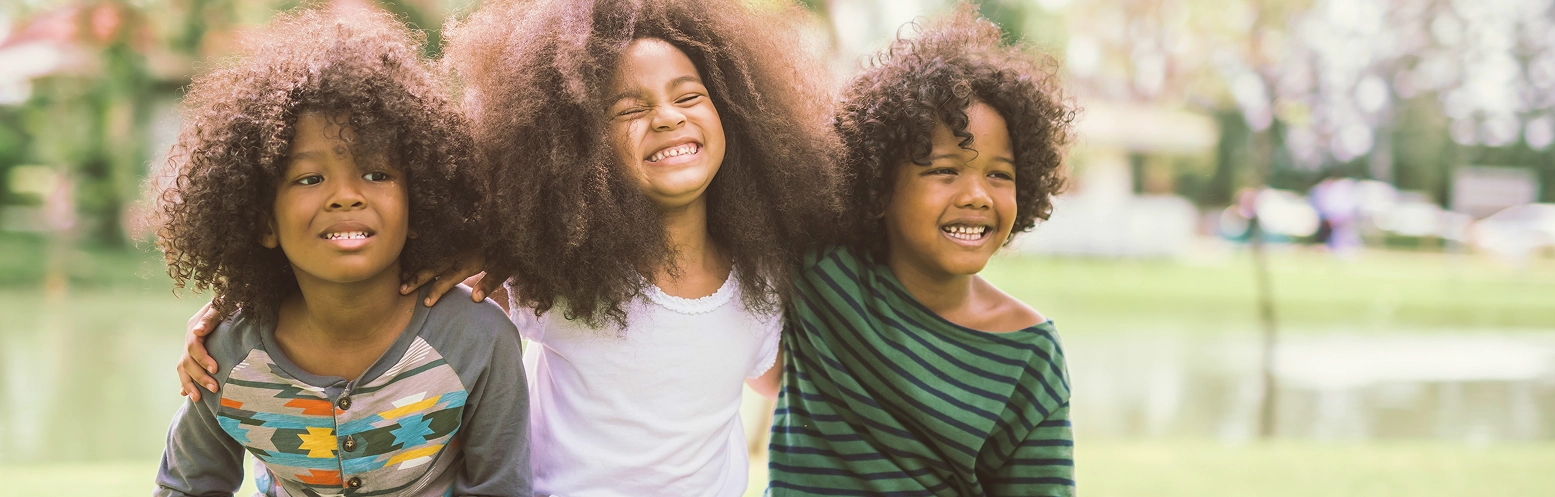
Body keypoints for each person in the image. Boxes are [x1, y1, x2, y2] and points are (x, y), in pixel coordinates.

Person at [177, 0, 842, 495]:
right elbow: (368, 279)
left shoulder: (761, 284)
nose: (666, 117)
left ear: (740, 114)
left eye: (688, 96)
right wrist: (237, 305)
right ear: (580, 144)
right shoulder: (555, 275)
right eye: (628, 108)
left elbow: (770, 376)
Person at [150, 7, 529, 496]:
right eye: (310, 178)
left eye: (377, 174)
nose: (346, 195)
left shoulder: (478, 340)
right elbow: (187, 485)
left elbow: (502, 487)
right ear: (264, 221)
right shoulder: (226, 354)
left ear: (419, 204)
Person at [767, 7, 1078, 496]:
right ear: (879, 187)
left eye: (1000, 174)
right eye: (945, 170)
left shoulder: (1028, 355)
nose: (977, 194)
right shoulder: (826, 272)